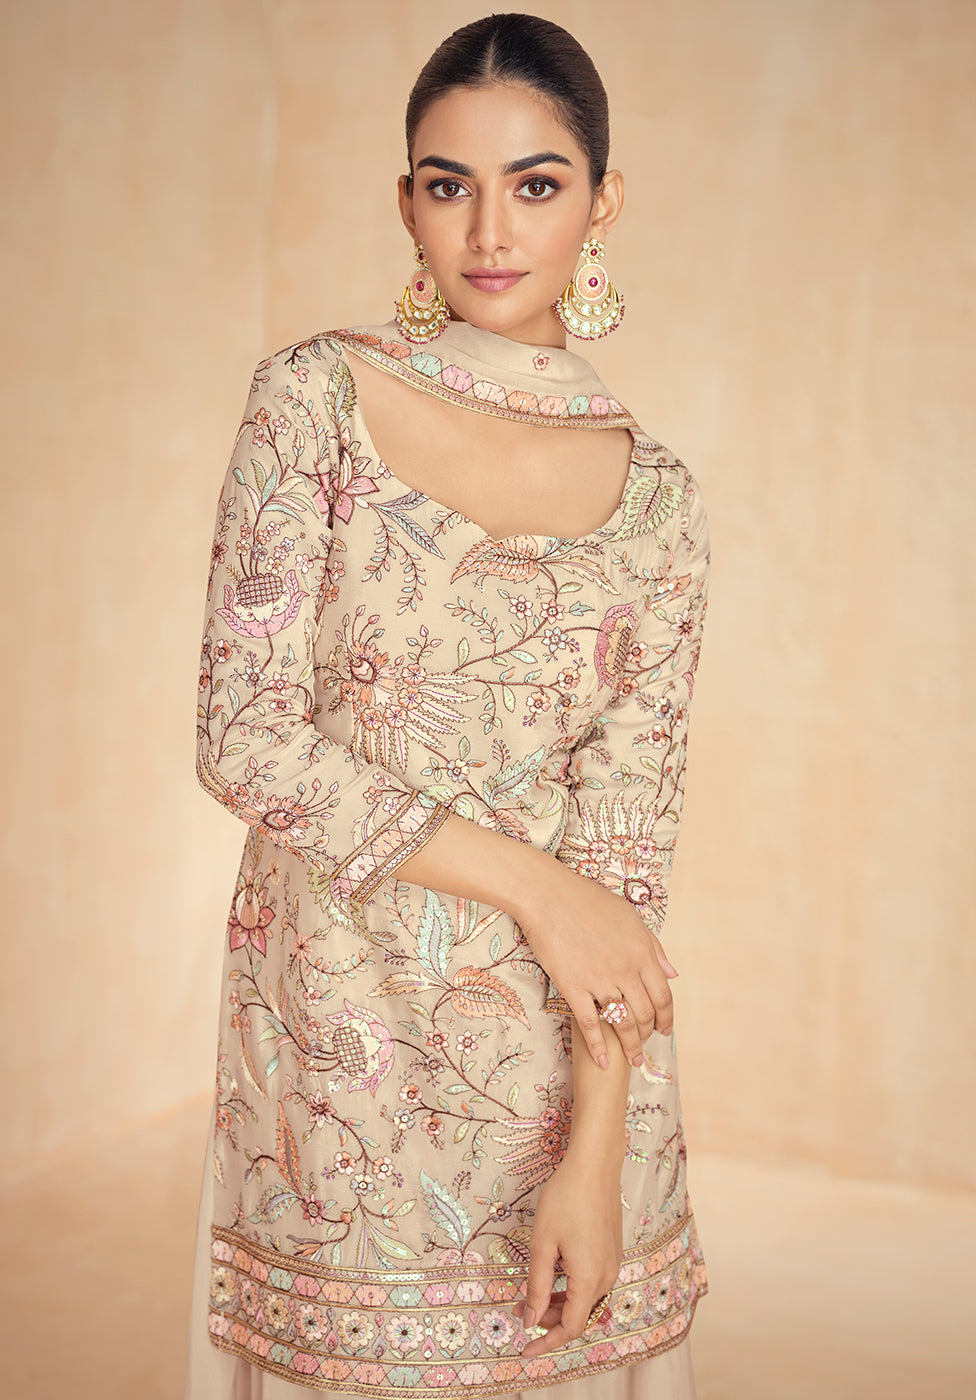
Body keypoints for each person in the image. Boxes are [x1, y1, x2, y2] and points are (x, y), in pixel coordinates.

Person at [184, 13, 710, 1399]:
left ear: (602, 201)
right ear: (405, 200)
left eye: (535, 184)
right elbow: (243, 737)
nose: (488, 229)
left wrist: (598, 1148)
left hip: (567, 1064)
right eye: (447, 183)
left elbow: (626, 862)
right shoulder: (315, 401)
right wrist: (536, 885)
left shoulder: (658, 500)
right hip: (342, 1043)